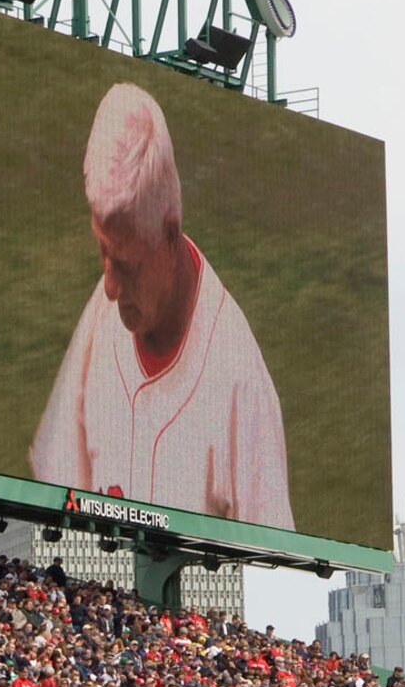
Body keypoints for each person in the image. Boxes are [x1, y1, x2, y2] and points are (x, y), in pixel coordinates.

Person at [30, 82, 294, 529]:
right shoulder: (102, 313)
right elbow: (54, 491)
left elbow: (278, 565)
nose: (110, 287)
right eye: (102, 253)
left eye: (127, 266)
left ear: (170, 235)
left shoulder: (239, 384)